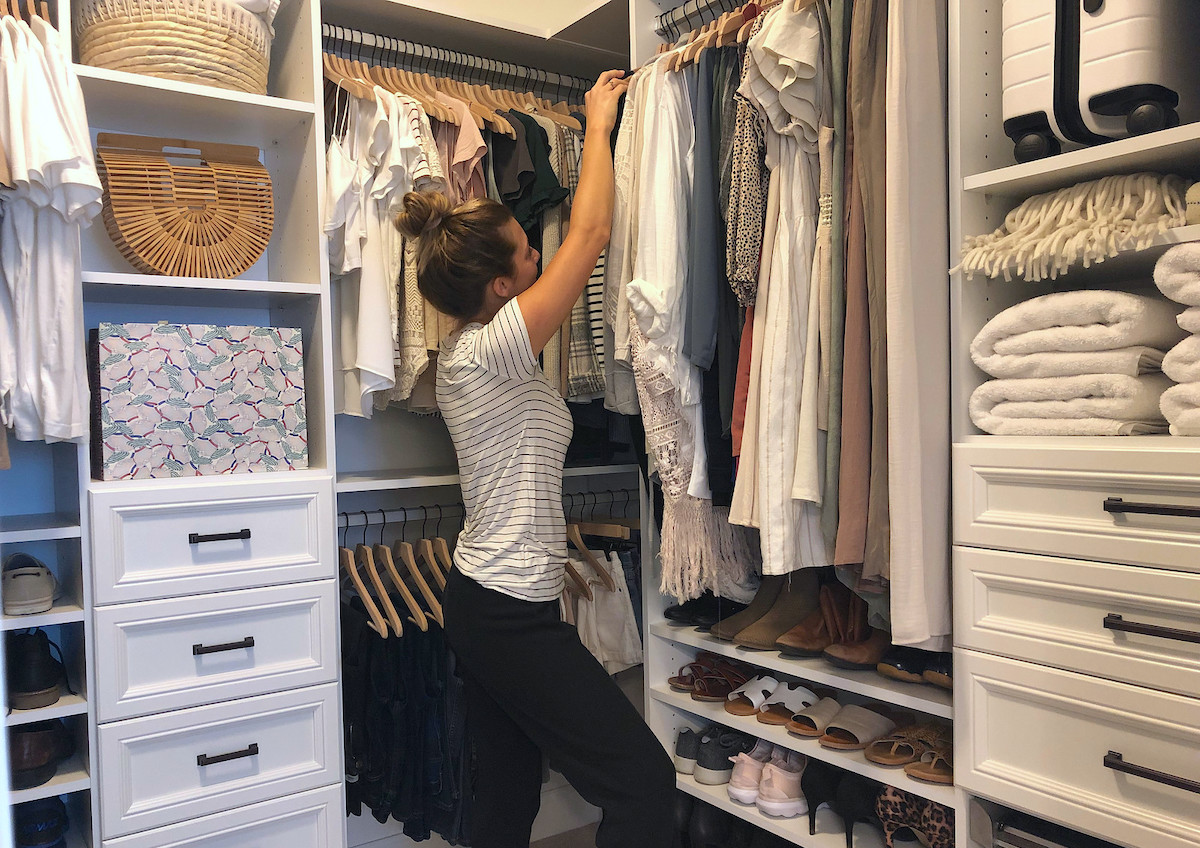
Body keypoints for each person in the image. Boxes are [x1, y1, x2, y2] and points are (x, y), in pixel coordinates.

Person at [394, 70, 676, 848]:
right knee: (645, 784)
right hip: (505, 610)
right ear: (500, 284)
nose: (536, 252)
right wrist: (597, 119)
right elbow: (587, 237)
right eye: (525, 251)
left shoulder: (472, 352)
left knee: (509, 793)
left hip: (494, 598)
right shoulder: (493, 351)